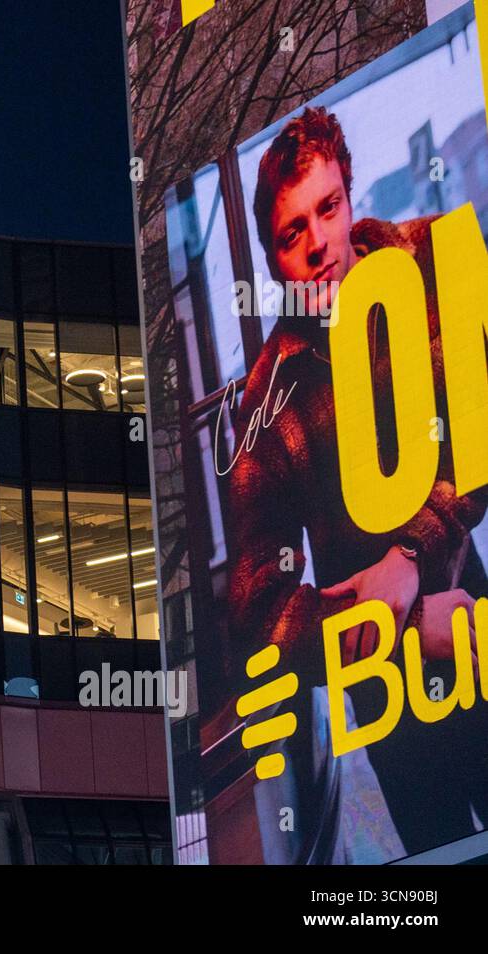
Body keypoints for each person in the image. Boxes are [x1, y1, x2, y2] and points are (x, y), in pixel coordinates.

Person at [227, 106, 488, 856]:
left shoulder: (430, 259)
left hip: (475, 611)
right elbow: (255, 614)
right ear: (274, 258)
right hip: (383, 692)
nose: (317, 245)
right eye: (290, 233)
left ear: (350, 190)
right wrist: (401, 627)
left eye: (328, 209)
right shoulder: (267, 400)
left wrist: (409, 560)